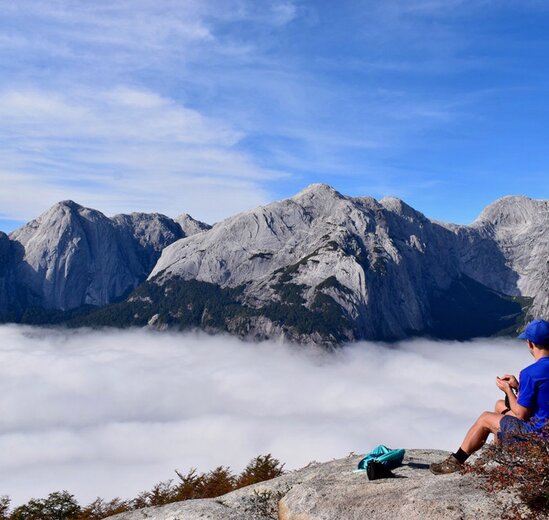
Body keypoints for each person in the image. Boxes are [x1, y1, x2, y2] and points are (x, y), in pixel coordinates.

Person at [430, 318, 549, 475]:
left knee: (485, 418)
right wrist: (519, 387)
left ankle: (455, 462)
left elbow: (521, 414)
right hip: (544, 427)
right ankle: (500, 457)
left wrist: (508, 390)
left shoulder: (530, 373)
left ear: (530, 343)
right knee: (500, 405)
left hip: (538, 438)